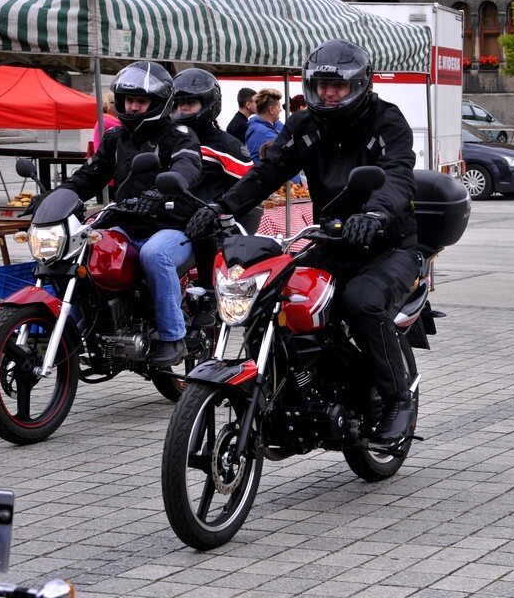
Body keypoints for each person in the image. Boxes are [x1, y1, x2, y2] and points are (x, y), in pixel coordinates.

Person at [186, 38, 420, 447]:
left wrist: (375, 214)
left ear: (359, 84)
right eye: (322, 85)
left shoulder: (386, 120)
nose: (329, 93)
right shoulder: (304, 125)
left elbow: (398, 174)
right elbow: (268, 172)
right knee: (276, 296)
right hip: (331, 240)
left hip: (388, 244)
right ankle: (289, 385)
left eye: (338, 86)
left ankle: (397, 400)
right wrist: (222, 207)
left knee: (361, 302)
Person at [32, 61, 202, 367]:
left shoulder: (179, 134)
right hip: (126, 223)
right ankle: (79, 329)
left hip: (172, 227)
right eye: (129, 100)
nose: (133, 107)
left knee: (154, 254)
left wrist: (160, 192)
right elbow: (89, 176)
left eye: (141, 101)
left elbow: (187, 166)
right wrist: (54, 196)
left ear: (159, 102)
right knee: (82, 250)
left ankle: (173, 336)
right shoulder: (115, 138)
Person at [169, 69, 255, 326]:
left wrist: (218, 209)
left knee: (204, 222)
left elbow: (248, 186)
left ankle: (208, 294)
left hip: (208, 222)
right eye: (179, 103)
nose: (184, 108)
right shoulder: (167, 139)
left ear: (209, 104)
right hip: (170, 216)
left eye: (191, 102)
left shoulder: (226, 145)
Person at [245, 88, 284, 163]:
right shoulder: (258, 133)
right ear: (271, 109)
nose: (280, 110)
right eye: (279, 106)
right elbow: (258, 163)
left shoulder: (277, 124)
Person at [90, 91, 120, 155]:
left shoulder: (105, 119)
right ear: (106, 106)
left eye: (117, 101)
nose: (117, 104)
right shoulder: (107, 121)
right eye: (113, 102)